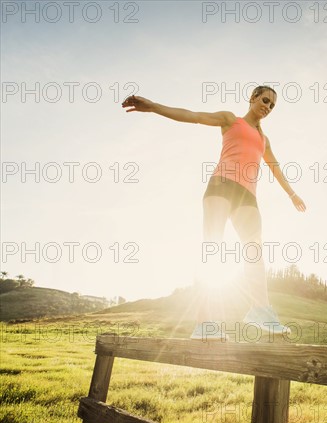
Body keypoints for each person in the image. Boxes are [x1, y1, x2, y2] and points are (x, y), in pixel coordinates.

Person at [121, 85, 306, 341]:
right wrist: (153, 107)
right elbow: (194, 115)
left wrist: (292, 194)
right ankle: (205, 324)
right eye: (265, 100)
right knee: (213, 250)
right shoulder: (230, 120)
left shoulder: (264, 140)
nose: (268, 107)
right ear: (252, 98)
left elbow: (275, 167)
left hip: (247, 195)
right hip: (221, 186)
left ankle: (260, 311)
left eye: (273, 105)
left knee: (255, 251)